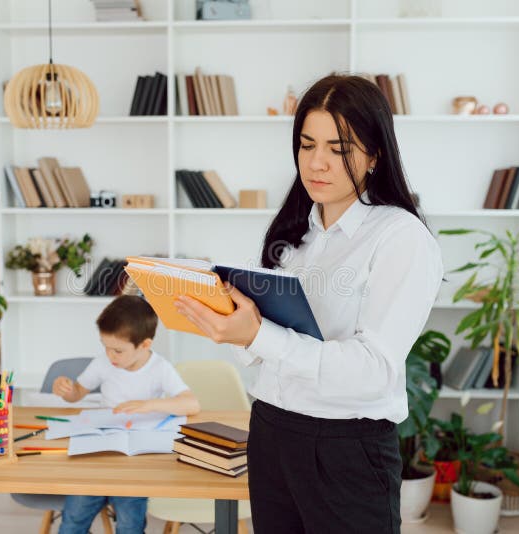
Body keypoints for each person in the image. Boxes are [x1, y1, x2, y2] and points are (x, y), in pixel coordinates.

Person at [174, 74, 444, 533]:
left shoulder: (401, 238)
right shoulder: (295, 233)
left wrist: (259, 334)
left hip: (345, 447)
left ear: (375, 155)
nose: (317, 163)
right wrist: (229, 321)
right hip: (272, 432)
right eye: (306, 144)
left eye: (339, 149)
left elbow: (374, 367)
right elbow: (265, 341)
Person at [52, 295, 201, 534]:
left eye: (118, 350)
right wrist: (66, 390)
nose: (110, 356)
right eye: (105, 347)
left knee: (131, 526)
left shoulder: (160, 369)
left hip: (136, 463)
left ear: (145, 345)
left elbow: (192, 404)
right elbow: (77, 393)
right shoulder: (104, 363)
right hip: (98, 455)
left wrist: (149, 404)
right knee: (72, 522)